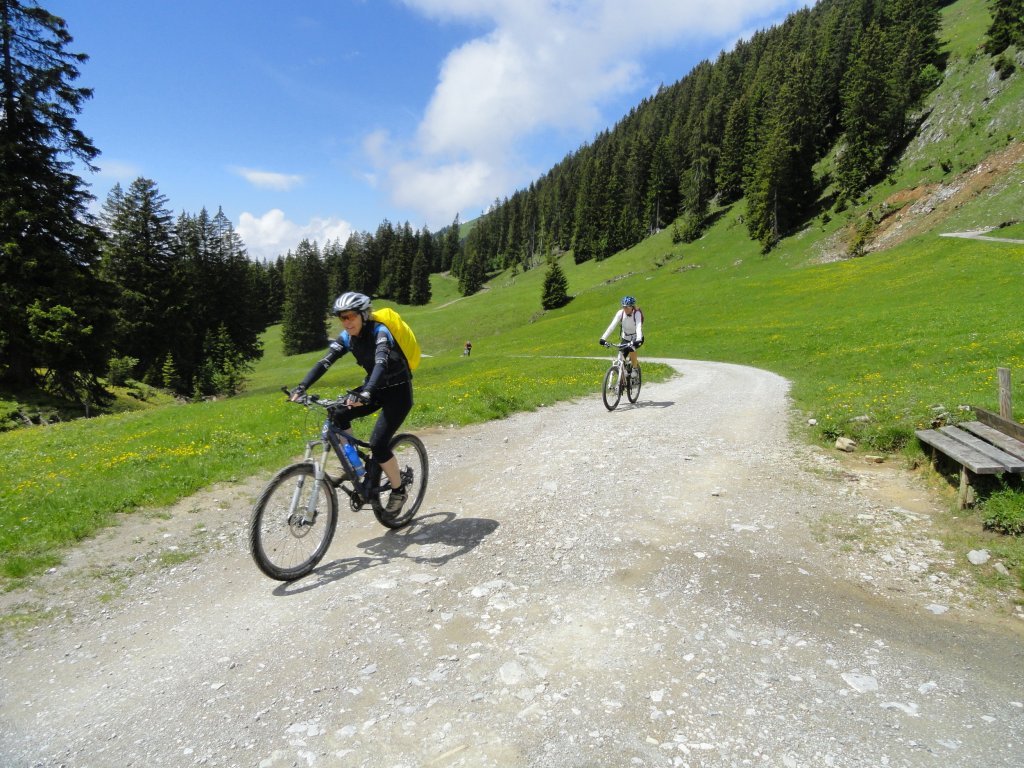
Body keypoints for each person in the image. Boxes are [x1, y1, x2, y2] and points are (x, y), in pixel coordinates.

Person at [290, 292, 414, 515]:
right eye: (342, 318)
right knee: (337, 415)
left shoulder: (380, 332)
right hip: (373, 390)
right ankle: (355, 466)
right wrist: (302, 386)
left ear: (364, 315)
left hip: (398, 393)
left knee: (378, 444)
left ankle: (398, 489)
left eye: (350, 317)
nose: (346, 322)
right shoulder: (347, 338)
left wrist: (365, 392)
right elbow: (325, 362)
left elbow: (380, 364)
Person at [599, 295, 644, 376]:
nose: (625, 309)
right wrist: (603, 338)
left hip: (636, 338)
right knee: (620, 358)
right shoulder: (621, 313)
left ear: (632, 307)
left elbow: (638, 326)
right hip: (625, 338)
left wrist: (638, 339)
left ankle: (634, 368)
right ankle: (623, 377)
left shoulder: (637, 313)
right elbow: (611, 326)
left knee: (631, 348)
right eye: (624, 307)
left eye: (627, 307)